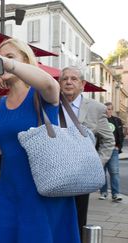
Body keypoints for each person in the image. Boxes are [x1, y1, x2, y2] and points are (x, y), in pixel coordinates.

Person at [0, 38, 80, 243]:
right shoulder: (2, 104)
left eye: (10, 57)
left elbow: (50, 83)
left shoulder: (41, 94)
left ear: (25, 62)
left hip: (42, 189)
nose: (2, 62)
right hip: (9, 188)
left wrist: (7, 62)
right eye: (1, 58)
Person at [59, 66, 115, 239]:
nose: (68, 82)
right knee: (54, 216)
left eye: (74, 79)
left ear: (82, 84)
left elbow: (108, 140)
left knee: (78, 217)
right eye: (65, 79)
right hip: (55, 170)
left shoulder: (96, 108)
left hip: (81, 174)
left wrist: (97, 164)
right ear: (59, 83)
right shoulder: (51, 103)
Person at [99, 102, 123, 201]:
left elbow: (120, 134)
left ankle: (115, 194)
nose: (108, 110)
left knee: (114, 172)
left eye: (109, 109)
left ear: (112, 110)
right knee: (102, 172)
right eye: (106, 109)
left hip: (113, 150)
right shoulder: (99, 120)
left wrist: (118, 146)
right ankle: (104, 192)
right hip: (101, 150)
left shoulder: (116, 120)